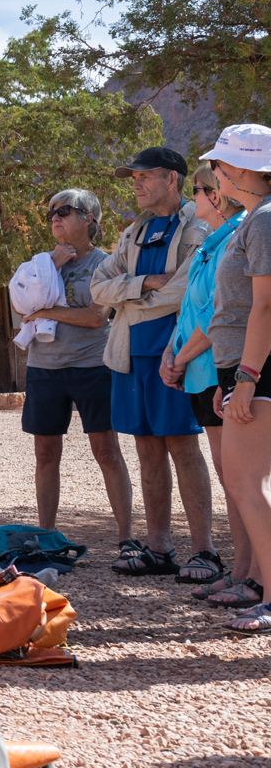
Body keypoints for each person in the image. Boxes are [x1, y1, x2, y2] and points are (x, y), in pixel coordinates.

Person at [91, 146, 219, 581]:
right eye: (134, 178)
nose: (137, 184)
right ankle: (159, 547)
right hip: (130, 354)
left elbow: (182, 291)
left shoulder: (199, 225)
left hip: (178, 356)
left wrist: (128, 296)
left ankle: (204, 550)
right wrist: (143, 283)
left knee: (184, 447)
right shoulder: (134, 231)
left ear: (172, 179)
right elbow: (97, 287)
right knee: (146, 449)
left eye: (145, 176)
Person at [17, 189, 136, 545]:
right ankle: (46, 535)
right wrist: (51, 264)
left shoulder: (108, 263)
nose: (55, 217)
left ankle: (127, 537)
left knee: (106, 451)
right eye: (51, 212)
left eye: (65, 211)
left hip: (92, 367)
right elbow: (20, 302)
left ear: (89, 219)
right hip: (44, 367)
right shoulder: (40, 264)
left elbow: (97, 317)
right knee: (45, 453)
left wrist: (47, 312)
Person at [163, 164, 251, 604]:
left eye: (196, 192)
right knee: (228, 475)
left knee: (239, 478)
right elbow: (188, 311)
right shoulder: (209, 243)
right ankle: (241, 569)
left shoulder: (237, 236)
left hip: (216, 366)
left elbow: (218, 315)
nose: (192, 200)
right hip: (201, 372)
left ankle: (250, 573)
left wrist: (178, 357)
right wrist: (170, 351)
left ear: (214, 196)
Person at [205, 126, 271, 628]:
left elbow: (265, 304)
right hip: (243, 367)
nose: (214, 172)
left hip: (258, 368)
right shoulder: (254, 219)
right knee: (246, 482)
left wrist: (245, 378)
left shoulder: (264, 220)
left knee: (247, 483)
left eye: (220, 165)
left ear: (244, 169)